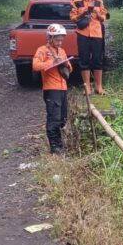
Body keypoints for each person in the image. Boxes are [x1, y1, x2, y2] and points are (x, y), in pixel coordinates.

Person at [32, 24, 73, 154]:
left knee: (63, 118)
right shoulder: (42, 50)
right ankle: (55, 147)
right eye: (57, 40)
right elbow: (35, 66)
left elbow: (69, 69)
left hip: (62, 88)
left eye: (61, 40)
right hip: (51, 88)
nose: (60, 42)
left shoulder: (62, 51)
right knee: (54, 119)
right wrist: (52, 63)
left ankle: (60, 143)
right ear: (50, 38)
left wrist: (65, 63)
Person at [70, 0, 108, 95]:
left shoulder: (99, 1)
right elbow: (73, 18)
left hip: (97, 34)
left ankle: (98, 87)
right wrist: (83, 14)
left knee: (98, 60)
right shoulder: (76, 1)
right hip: (83, 34)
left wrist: (97, 13)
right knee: (84, 61)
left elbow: (103, 18)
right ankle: (87, 88)